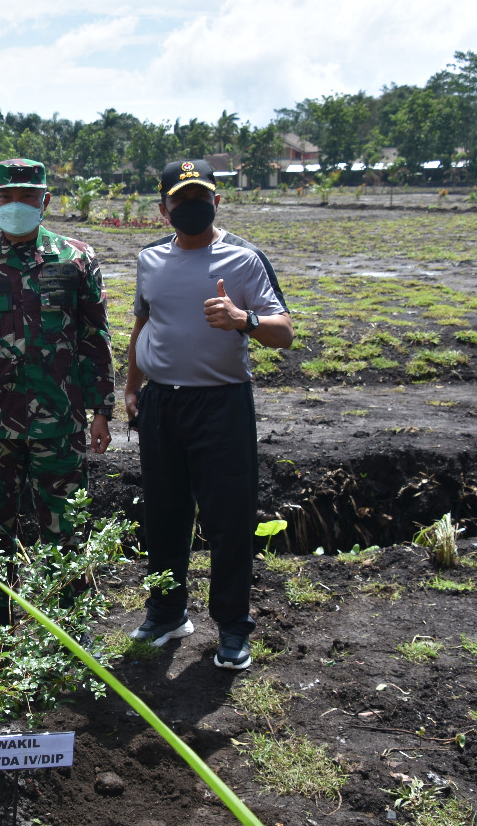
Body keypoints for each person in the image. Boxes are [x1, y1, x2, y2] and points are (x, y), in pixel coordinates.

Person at [124, 159, 294, 670]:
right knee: (163, 515)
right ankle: (167, 613)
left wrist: (244, 319)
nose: (192, 206)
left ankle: (233, 626)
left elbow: (284, 333)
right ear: (164, 209)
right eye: (181, 199)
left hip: (222, 404)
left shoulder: (245, 259)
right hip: (162, 403)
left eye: (201, 197)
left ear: (217, 202)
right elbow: (143, 326)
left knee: (229, 519)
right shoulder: (150, 259)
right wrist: (131, 388)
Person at [0, 159, 115, 630]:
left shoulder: (76, 259)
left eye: (28, 196)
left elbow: (95, 338)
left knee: (67, 530)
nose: (17, 204)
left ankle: (69, 631)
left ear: (45, 200)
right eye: (7, 196)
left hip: (61, 422)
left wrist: (102, 410)